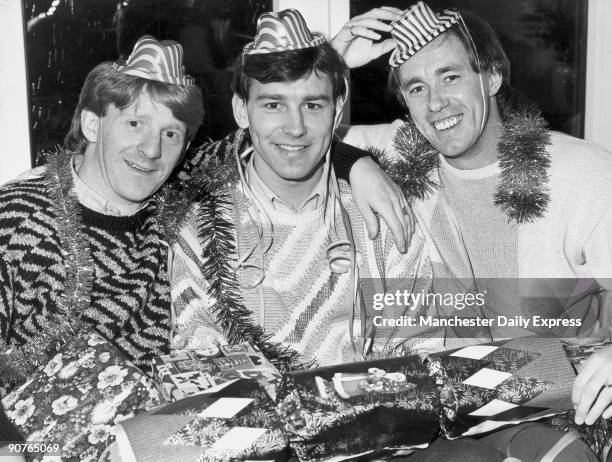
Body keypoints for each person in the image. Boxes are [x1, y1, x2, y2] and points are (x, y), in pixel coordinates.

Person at [333, 2, 611, 459]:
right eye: (416, 87)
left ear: (492, 77)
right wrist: (334, 66)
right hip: (450, 422)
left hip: (566, 408)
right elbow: (286, 138)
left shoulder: (584, 172)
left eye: (450, 76)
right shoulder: (398, 155)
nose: (435, 102)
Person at [169, 9, 432, 368]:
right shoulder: (198, 230)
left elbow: (421, 349)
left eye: (312, 105)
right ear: (242, 111)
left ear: (337, 110)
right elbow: (199, 363)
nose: (295, 127)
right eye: (274, 104)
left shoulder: (381, 214)